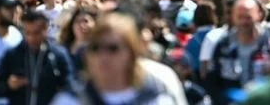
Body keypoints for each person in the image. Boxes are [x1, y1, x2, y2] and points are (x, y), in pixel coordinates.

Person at [52, 12, 187, 105]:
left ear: (131, 53)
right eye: (95, 48)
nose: (102, 56)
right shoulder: (69, 100)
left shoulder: (156, 99)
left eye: (113, 48)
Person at [206, 0, 270, 105]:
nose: (244, 22)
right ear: (233, 17)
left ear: (258, 15)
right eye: (240, 17)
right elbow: (212, 80)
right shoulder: (223, 45)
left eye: (248, 17)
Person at [0, 10, 75, 105]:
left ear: (46, 29)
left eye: (36, 33)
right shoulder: (12, 55)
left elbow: (70, 88)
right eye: (27, 33)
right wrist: (9, 86)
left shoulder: (58, 55)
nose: (32, 38)